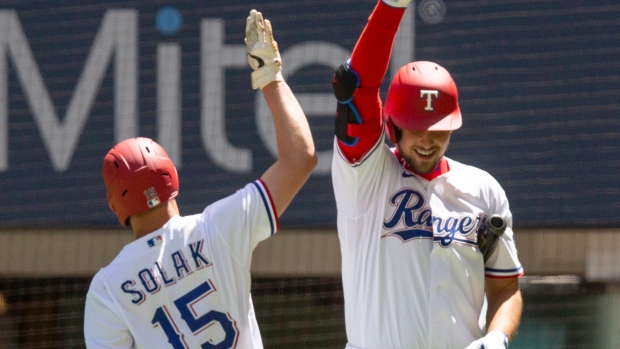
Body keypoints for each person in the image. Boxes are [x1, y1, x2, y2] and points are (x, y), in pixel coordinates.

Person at [84, 9, 316, 348]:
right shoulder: (217, 228)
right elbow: (302, 158)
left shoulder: (108, 288)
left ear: (114, 204)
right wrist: (270, 76)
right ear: (171, 178)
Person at [331, 0, 523, 348]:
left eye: (439, 128)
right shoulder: (364, 177)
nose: (427, 140)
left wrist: (498, 336)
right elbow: (356, 85)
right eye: (416, 126)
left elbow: (506, 286)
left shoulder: (484, 190)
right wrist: (392, 6)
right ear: (393, 125)